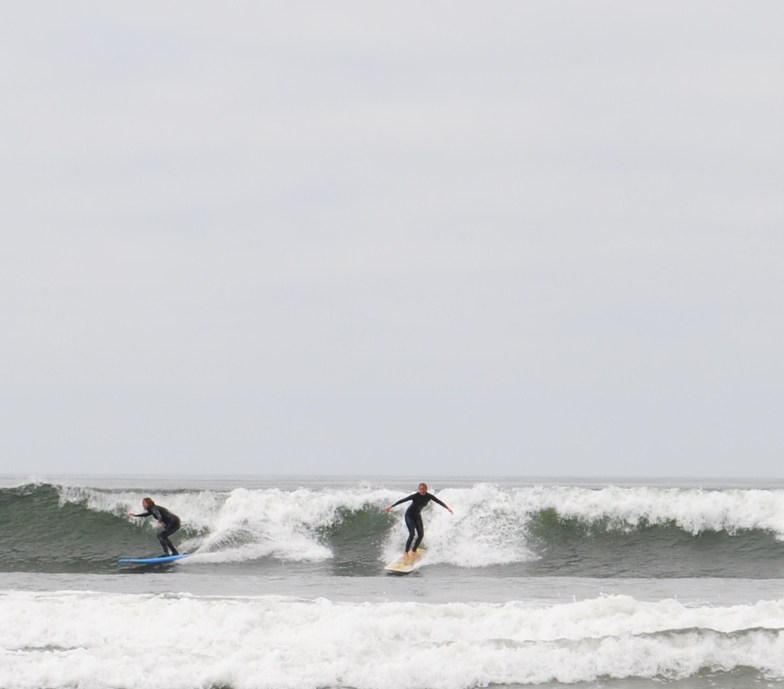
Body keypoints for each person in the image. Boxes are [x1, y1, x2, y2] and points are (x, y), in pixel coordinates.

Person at [385, 482, 453, 561]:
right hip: (409, 515)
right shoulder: (415, 496)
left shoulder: (429, 496)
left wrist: (448, 508)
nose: (421, 490)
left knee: (421, 535)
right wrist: (391, 507)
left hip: (417, 516)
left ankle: (414, 550)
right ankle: (406, 552)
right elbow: (403, 500)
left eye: (423, 489)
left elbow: (439, 501)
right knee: (412, 533)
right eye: (420, 489)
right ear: (419, 489)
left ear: (426, 489)